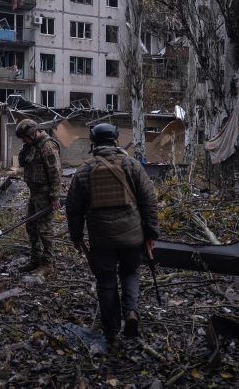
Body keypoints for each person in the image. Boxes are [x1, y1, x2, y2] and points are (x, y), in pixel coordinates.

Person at [65, 123, 159, 348]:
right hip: (132, 237)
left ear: (93, 142)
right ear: (115, 141)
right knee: (130, 273)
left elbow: (73, 208)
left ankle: (112, 333)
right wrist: (151, 232)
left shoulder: (84, 170)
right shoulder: (132, 165)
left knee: (106, 282)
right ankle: (131, 313)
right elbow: (149, 200)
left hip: (101, 239)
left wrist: (76, 237)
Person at [15, 119, 62, 273]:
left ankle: (48, 263)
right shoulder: (31, 146)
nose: (24, 141)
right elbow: (23, 163)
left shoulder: (48, 146)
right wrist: (26, 146)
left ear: (34, 133)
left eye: (25, 138)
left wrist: (55, 196)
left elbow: (55, 172)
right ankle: (35, 260)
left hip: (45, 194)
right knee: (31, 226)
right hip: (34, 193)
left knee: (45, 229)